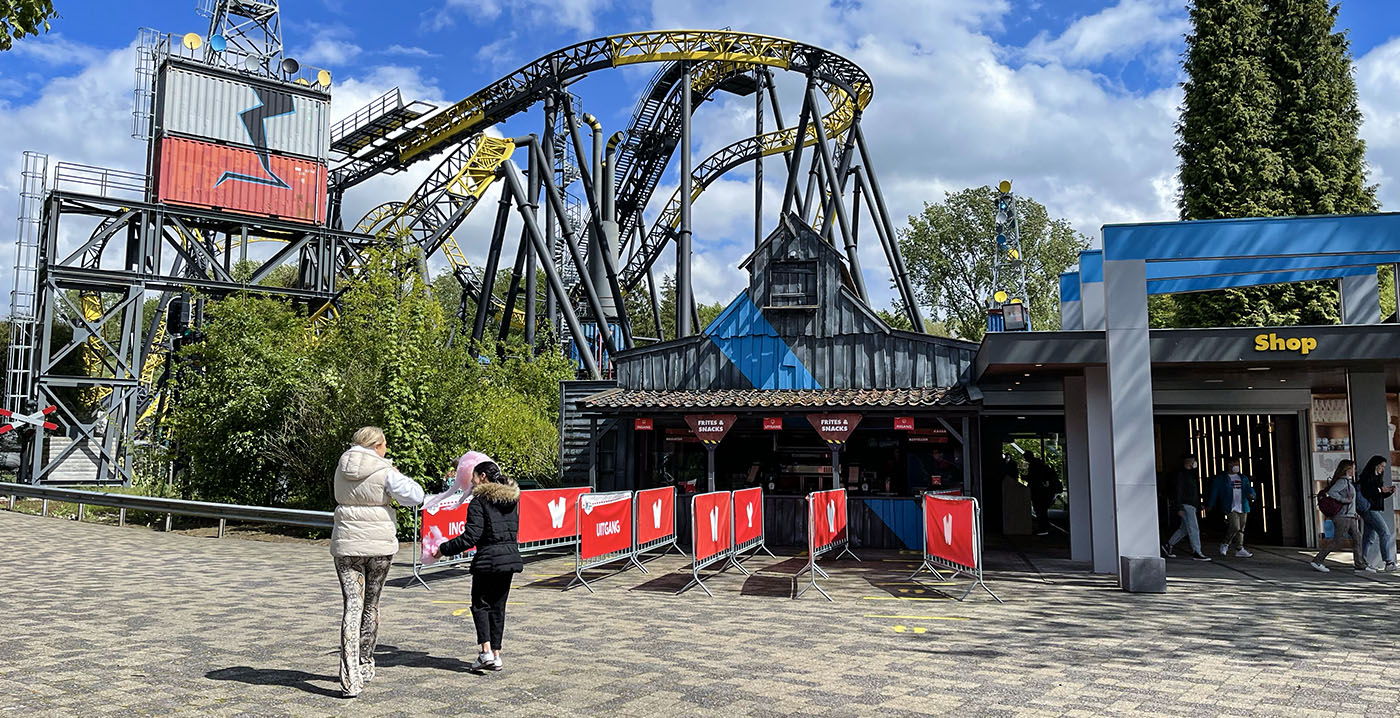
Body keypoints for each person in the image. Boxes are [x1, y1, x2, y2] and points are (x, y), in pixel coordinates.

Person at [330, 426, 426, 698]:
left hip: (346, 542)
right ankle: (365, 663)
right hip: (379, 545)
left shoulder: (341, 467)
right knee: (371, 604)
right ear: (377, 445)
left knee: (352, 605)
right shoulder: (384, 470)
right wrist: (394, 473)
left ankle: (349, 679)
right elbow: (415, 496)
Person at [429, 459, 523, 672]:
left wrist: (443, 549)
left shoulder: (479, 502)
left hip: (487, 560)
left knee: (480, 604)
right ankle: (496, 655)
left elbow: (471, 536)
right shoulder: (512, 501)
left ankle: (485, 651)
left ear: (482, 477)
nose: (470, 481)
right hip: (509, 560)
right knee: (498, 607)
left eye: (473, 476)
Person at [1311, 459, 1370, 573]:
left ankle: (1360, 564)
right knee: (1338, 540)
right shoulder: (1342, 482)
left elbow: (1351, 501)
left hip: (1350, 515)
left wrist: (1354, 512)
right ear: (1347, 469)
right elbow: (1332, 493)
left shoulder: (1348, 482)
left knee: (1357, 538)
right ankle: (1318, 560)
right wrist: (1344, 500)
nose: (1355, 470)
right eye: (1353, 468)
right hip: (1343, 516)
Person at [1162, 454, 1212, 561]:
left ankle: (1168, 544)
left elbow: (1194, 492)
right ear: (1189, 462)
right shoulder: (1182, 475)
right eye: (1193, 461)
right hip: (1186, 504)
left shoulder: (1191, 474)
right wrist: (1179, 507)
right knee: (1193, 528)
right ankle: (1197, 551)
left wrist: (1199, 504)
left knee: (1184, 528)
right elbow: (1179, 492)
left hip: (1191, 504)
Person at [1207, 457, 1257, 558]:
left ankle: (1239, 548)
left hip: (1243, 506)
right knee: (1235, 526)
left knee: (1241, 528)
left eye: (1237, 464)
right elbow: (1214, 492)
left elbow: (1249, 488)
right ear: (1229, 465)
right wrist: (1210, 505)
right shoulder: (1221, 479)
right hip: (1230, 506)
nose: (1236, 466)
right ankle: (1225, 543)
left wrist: (1252, 495)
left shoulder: (1243, 478)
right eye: (1234, 464)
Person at [1356, 455, 1397, 572]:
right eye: (1381, 466)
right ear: (1375, 465)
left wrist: (1388, 492)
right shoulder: (1367, 477)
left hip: (1373, 508)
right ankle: (1388, 562)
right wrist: (1380, 490)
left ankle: (1361, 561)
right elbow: (1368, 492)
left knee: (1369, 537)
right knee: (1385, 533)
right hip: (1369, 509)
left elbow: (1377, 495)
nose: (1383, 469)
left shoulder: (1377, 477)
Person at [1026, 453, 1062, 536]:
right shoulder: (1043, 467)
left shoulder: (1035, 467)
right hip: (1045, 492)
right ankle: (1044, 527)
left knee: (1040, 510)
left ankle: (1043, 528)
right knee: (1042, 510)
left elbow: (1034, 479)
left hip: (1040, 493)